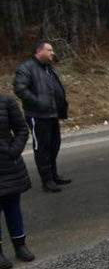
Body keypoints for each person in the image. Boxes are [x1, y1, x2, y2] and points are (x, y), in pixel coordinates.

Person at [13, 40, 71, 192]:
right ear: (39, 51)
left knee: (54, 145)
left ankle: (53, 175)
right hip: (37, 115)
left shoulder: (49, 69)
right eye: (49, 50)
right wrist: (37, 102)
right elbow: (19, 88)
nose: (53, 53)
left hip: (52, 114)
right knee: (42, 148)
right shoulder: (26, 68)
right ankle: (47, 180)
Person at [0, 94, 34, 269]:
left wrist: (13, 151)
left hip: (8, 165)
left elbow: (22, 129)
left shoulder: (6, 102)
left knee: (13, 207)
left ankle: (20, 246)